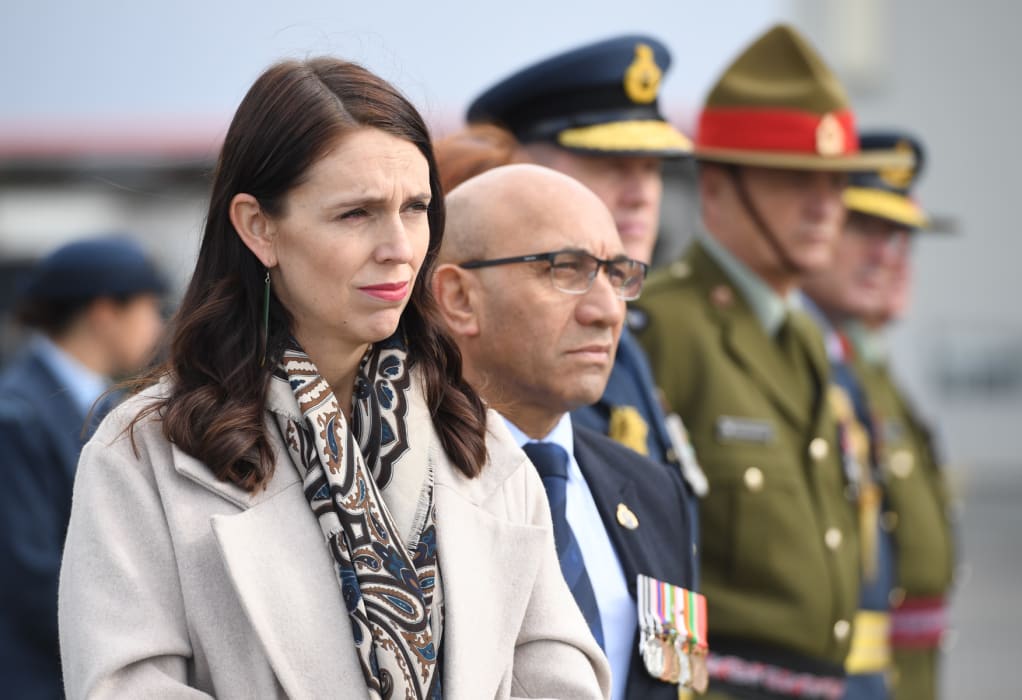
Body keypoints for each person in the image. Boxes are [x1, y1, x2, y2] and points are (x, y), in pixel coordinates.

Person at [57, 58, 609, 699]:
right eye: (356, 214)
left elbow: (560, 679)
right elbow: (123, 688)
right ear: (258, 228)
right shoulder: (143, 454)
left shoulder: (478, 444)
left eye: (417, 207)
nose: (400, 246)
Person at [632, 24, 914, 699]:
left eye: (836, 182)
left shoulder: (807, 338)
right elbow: (651, 556)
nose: (827, 207)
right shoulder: (660, 330)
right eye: (796, 180)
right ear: (719, 188)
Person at [431, 163, 703, 700]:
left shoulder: (652, 492)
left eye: (618, 274)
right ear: (460, 297)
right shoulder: (398, 486)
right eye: (566, 269)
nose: (607, 310)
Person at [465, 35, 699, 478]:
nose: (641, 195)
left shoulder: (630, 339)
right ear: (524, 168)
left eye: (652, 169)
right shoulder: (508, 346)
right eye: (612, 163)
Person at [0, 236, 165, 700]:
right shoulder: (16, 416)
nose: (157, 326)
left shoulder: (109, 403)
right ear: (105, 311)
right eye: (150, 307)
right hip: (45, 676)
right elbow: (32, 577)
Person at [828, 133, 954, 700]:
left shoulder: (874, 372)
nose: (893, 255)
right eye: (869, 229)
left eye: (905, 236)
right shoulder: (834, 369)